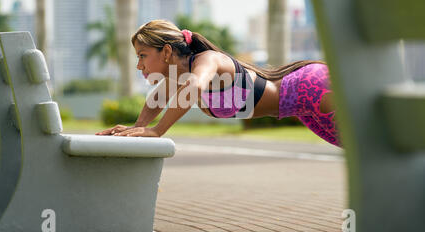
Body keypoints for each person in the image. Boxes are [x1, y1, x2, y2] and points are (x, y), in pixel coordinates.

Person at [96, 19, 341, 147]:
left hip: (310, 87)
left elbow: (195, 86)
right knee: (362, 151)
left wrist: (158, 130)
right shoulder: (176, 77)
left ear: (167, 51)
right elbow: (155, 102)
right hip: (301, 108)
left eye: (142, 56)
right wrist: (136, 128)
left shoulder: (208, 61)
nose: (139, 65)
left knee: (369, 148)